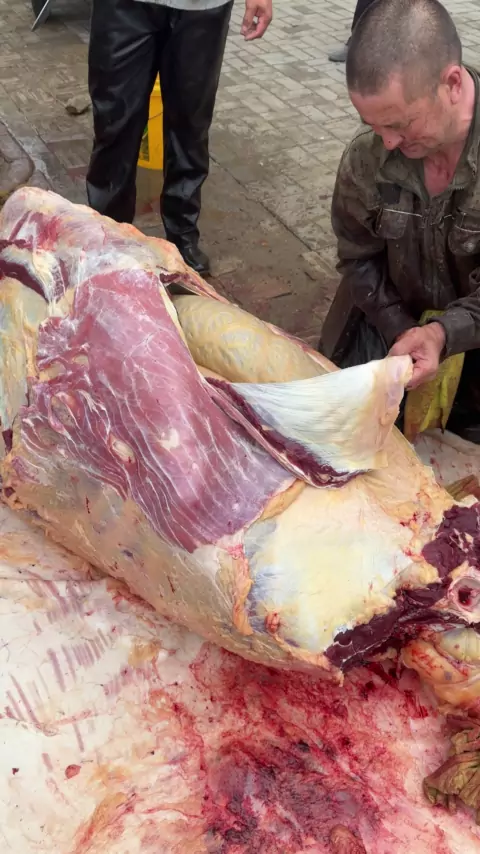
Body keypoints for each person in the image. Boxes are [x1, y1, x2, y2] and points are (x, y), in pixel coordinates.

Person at [320, 0, 480, 442]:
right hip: (392, 331)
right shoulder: (365, 156)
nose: (388, 142)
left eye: (401, 124)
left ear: (451, 84)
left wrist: (444, 333)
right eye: (373, 124)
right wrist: (403, 330)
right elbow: (357, 257)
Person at [86, 0, 272, 277]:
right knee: (114, 124)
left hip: (203, 7)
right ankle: (108, 234)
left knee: (191, 125)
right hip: (124, 7)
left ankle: (182, 235)